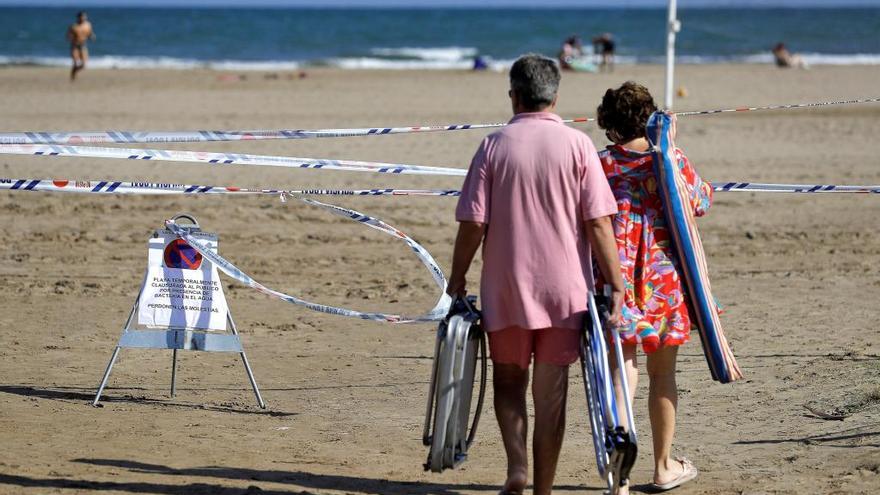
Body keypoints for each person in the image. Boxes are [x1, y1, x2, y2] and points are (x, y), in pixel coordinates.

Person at [448, 54, 625, 495]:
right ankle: (542, 490)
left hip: (507, 289)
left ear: (515, 95)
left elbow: (473, 223)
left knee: (508, 381)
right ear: (555, 96)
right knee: (551, 398)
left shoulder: (494, 146)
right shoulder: (579, 145)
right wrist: (617, 283)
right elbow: (599, 223)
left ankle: (518, 468)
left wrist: (457, 277)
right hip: (565, 292)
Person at [595, 81, 709, 493]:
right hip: (663, 278)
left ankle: (619, 479)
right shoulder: (668, 159)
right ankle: (662, 466)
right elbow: (701, 200)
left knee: (621, 374)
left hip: (616, 277)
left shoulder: (601, 164)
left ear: (609, 125)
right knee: (663, 375)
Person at [66, 11, 95, 81]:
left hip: (83, 45)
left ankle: (74, 71)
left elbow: (90, 33)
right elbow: (68, 36)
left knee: (84, 65)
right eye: (82, 16)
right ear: (78, 17)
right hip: (75, 46)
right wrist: (71, 38)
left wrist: (92, 36)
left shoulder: (88, 25)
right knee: (75, 62)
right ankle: (73, 76)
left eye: (85, 16)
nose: (84, 18)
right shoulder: (73, 26)